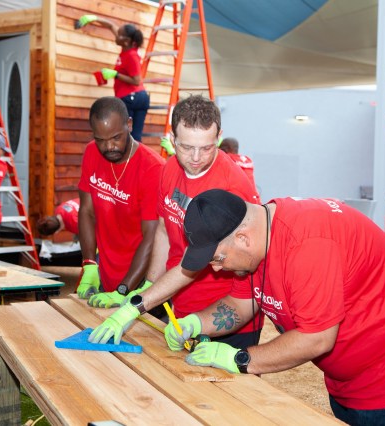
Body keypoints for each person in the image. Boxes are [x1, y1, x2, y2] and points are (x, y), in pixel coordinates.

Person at [100, 188, 385, 425]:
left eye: (219, 258)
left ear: (243, 237)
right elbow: (242, 304)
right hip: (352, 365)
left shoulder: (307, 245)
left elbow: (317, 339)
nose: (217, 268)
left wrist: (241, 359)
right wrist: (195, 324)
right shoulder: (257, 243)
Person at [89, 95, 263, 349]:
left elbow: (194, 263)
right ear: (172, 139)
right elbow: (162, 230)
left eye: (206, 148)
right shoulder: (169, 169)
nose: (195, 157)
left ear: (219, 137)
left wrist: (141, 302)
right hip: (182, 305)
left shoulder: (230, 188)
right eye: (185, 147)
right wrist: (150, 284)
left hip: (226, 315)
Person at [77, 96, 164, 303]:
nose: (109, 147)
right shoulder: (91, 152)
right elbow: (86, 211)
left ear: (130, 125)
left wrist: (124, 289)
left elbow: (151, 237)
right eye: (101, 139)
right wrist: (89, 263)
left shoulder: (153, 168)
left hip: (141, 279)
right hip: (106, 271)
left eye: (116, 137)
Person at [76, 15, 150, 142]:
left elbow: (137, 80)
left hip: (132, 97)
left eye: (119, 34)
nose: (116, 36)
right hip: (134, 96)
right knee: (133, 137)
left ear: (126, 41)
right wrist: (93, 18)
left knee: (129, 136)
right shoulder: (126, 47)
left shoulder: (131, 56)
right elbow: (111, 26)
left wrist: (115, 75)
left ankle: (131, 161)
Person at [219, 137, 261, 204]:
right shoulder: (247, 160)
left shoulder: (227, 159)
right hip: (254, 201)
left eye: (221, 148)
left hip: (238, 203)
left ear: (225, 149)